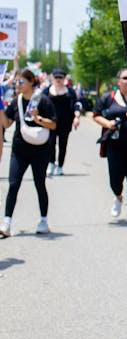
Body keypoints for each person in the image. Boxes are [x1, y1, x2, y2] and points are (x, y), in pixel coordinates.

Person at [0, 69, 59, 237]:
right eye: (16, 82)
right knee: (13, 184)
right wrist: (0, 109)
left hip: (40, 150)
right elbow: (7, 124)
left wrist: (38, 119)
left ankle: (43, 220)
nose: (17, 85)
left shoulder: (43, 101)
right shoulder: (16, 101)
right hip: (19, 149)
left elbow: (54, 125)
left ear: (31, 82)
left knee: (39, 184)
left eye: (21, 82)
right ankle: (7, 222)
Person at [94, 68, 127, 224]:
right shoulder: (108, 98)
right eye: (124, 77)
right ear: (118, 81)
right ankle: (118, 197)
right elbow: (96, 115)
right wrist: (108, 124)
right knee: (115, 178)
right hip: (114, 145)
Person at [43, 67, 82, 176]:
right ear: (52, 78)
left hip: (65, 122)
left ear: (64, 78)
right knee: (50, 143)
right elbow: (40, 103)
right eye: (56, 77)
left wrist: (77, 117)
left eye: (61, 77)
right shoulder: (47, 90)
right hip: (51, 122)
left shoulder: (70, 91)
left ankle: (60, 166)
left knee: (63, 144)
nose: (58, 80)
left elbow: (76, 104)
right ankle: (51, 163)